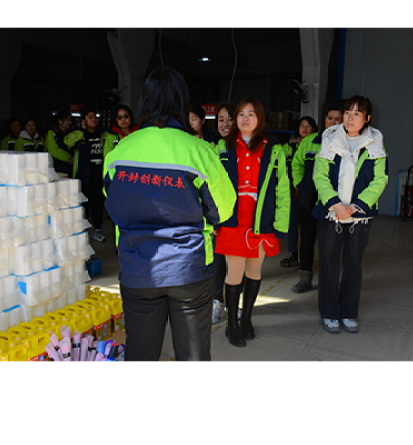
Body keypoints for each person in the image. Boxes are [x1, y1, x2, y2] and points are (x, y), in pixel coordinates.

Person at [103, 67, 236, 361]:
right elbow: (224, 209)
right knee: (192, 355)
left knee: (140, 353)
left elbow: (112, 204)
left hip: (137, 269)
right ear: (181, 103)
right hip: (189, 270)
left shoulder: (119, 153)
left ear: (144, 102)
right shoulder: (199, 151)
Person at [215, 97, 290, 348]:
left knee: (255, 271)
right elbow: (212, 186)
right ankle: (231, 324)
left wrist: (280, 223)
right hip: (233, 221)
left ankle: (247, 318)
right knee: (234, 274)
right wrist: (213, 218)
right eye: (241, 114)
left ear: (260, 119)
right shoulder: (223, 147)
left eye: (251, 114)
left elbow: (283, 188)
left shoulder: (273, 148)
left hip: (260, 220)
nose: (245, 118)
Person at [312, 96, 387, 333]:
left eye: (357, 113)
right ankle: (330, 313)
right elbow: (319, 175)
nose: (350, 118)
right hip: (331, 214)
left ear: (367, 118)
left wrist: (355, 206)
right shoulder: (329, 138)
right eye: (347, 113)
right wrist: (335, 204)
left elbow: (380, 179)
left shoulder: (376, 142)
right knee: (328, 265)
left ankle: (349, 313)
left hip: (359, 216)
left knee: (353, 265)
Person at [290, 109, 343, 293]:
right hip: (308, 201)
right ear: (325, 120)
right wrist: (301, 183)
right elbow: (296, 164)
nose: (334, 122)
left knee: (330, 244)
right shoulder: (310, 142)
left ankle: (329, 282)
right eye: (330, 118)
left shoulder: (347, 144)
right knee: (306, 241)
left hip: (332, 203)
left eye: (338, 119)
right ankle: (305, 279)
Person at [65, 109, 109, 242]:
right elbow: (68, 142)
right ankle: (81, 232)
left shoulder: (103, 134)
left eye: (95, 117)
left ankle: (97, 230)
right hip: (84, 177)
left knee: (97, 205)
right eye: (90, 117)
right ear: (84, 121)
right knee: (83, 206)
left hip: (98, 176)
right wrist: (82, 131)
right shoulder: (79, 134)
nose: (94, 119)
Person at [280, 116, 318, 269]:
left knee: (309, 227)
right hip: (293, 193)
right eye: (302, 125)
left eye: (308, 126)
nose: (305, 128)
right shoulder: (288, 148)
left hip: (311, 194)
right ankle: (292, 253)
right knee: (292, 223)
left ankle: (307, 256)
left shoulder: (318, 145)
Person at [211, 102, 235, 324]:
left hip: (241, 216)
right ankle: (218, 302)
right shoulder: (213, 148)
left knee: (238, 264)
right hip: (219, 215)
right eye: (221, 120)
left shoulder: (244, 148)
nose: (225, 124)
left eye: (230, 119)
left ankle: (236, 306)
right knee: (218, 260)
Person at [46, 111, 73, 178]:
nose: (70, 122)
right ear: (60, 121)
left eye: (70, 120)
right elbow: (54, 151)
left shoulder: (72, 133)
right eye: (68, 120)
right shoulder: (52, 133)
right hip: (57, 170)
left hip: (70, 169)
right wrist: (70, 158)